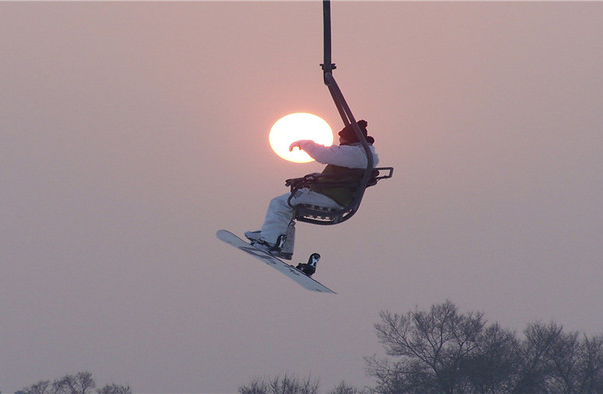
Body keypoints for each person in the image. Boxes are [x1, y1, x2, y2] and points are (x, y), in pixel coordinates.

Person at [245, 119, 379, 259]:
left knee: (280, 203)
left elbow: (323, 155)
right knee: (288, 203)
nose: (340, 142)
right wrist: (313, 178)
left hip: (331, 198)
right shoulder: (361, 156)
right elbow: (340, 176)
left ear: (349, 138)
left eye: (341, 139)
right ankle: (276, 238)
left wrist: (304, 143)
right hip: (335, 195)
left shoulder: (354, 154)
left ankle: (269, 242)